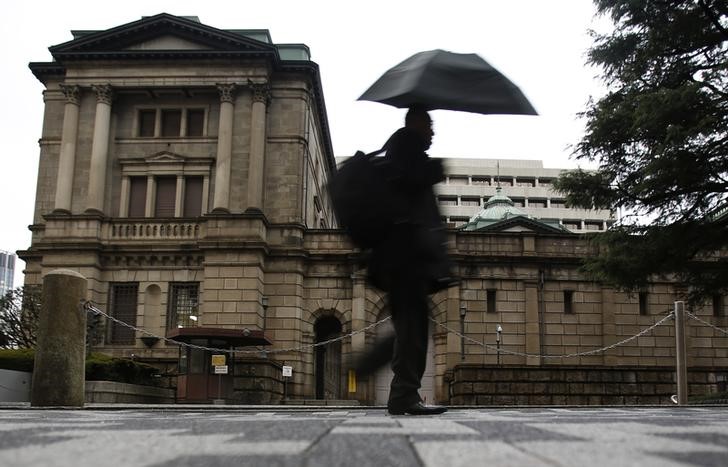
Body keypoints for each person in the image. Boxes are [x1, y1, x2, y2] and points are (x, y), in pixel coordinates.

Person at [361, 105, 456, 416]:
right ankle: (397, 389)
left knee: (410, 326)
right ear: (415, 122)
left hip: (403, 255)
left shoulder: (401, 149)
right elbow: (405, 189)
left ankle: (398, 391)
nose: (433, 132)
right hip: (406, 256)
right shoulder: (405, 148)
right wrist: (431, 170)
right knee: (413, 328)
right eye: (429, 125)